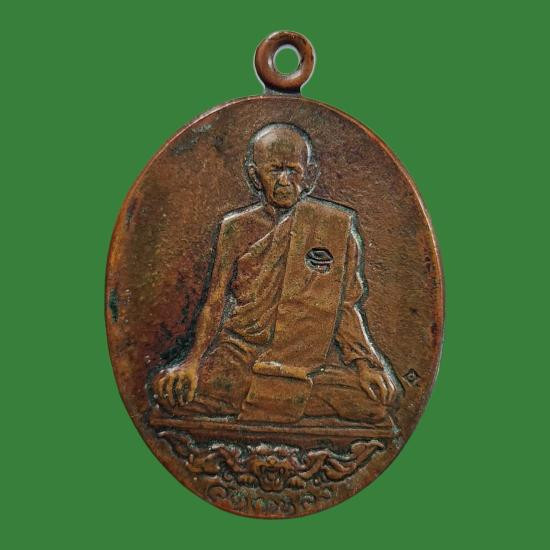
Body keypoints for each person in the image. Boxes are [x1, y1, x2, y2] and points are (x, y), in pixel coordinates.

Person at [153, 123, 399, 424]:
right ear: (255, 176)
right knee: (172, 391)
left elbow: (345, 307)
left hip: (303, 361)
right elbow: (215, 301)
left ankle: (259, 397)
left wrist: (365, 364)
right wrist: (192, 363)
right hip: (240, 354)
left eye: (293, 171)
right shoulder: (236, 228)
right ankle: (277, 397)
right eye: (274, 171)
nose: (284, 181)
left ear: (310, 175)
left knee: (374, 404)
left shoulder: (334, 228)